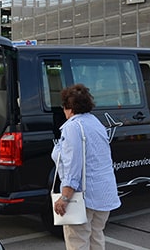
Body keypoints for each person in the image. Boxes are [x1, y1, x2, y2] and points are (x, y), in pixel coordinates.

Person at [50, 84, 121, 250]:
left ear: (68, 107)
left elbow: (72, 166)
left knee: (78, 242)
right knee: (96, 237)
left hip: (84, 196)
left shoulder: (72, 127)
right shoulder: (96, 123)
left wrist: (65, 197)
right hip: (104, 193)